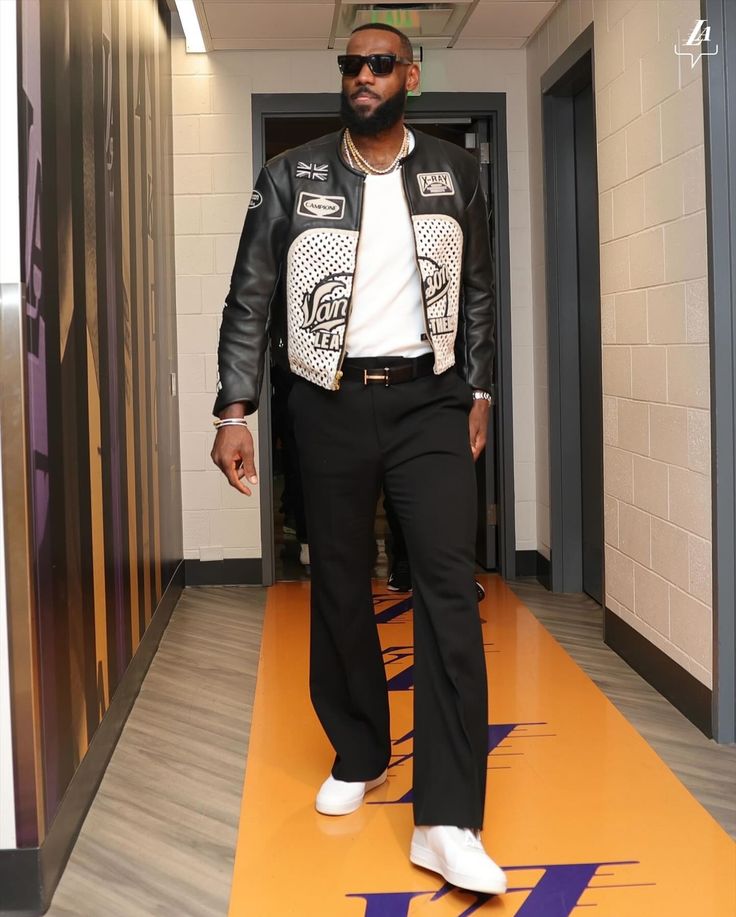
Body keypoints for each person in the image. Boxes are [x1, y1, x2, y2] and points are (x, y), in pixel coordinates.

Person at [210, 22, 505, 896]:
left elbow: (480, 290)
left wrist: (480, 392)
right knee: (337, 581)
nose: (362, 75)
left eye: (379, 63)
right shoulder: (292, 174)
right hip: (327, 399)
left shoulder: (454, 172)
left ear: (411, 75)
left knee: (448, 588)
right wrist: (236, 410)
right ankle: (361, 748)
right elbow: (250, 294)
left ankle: (448, 819)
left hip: (431, 401)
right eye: (352, 64)